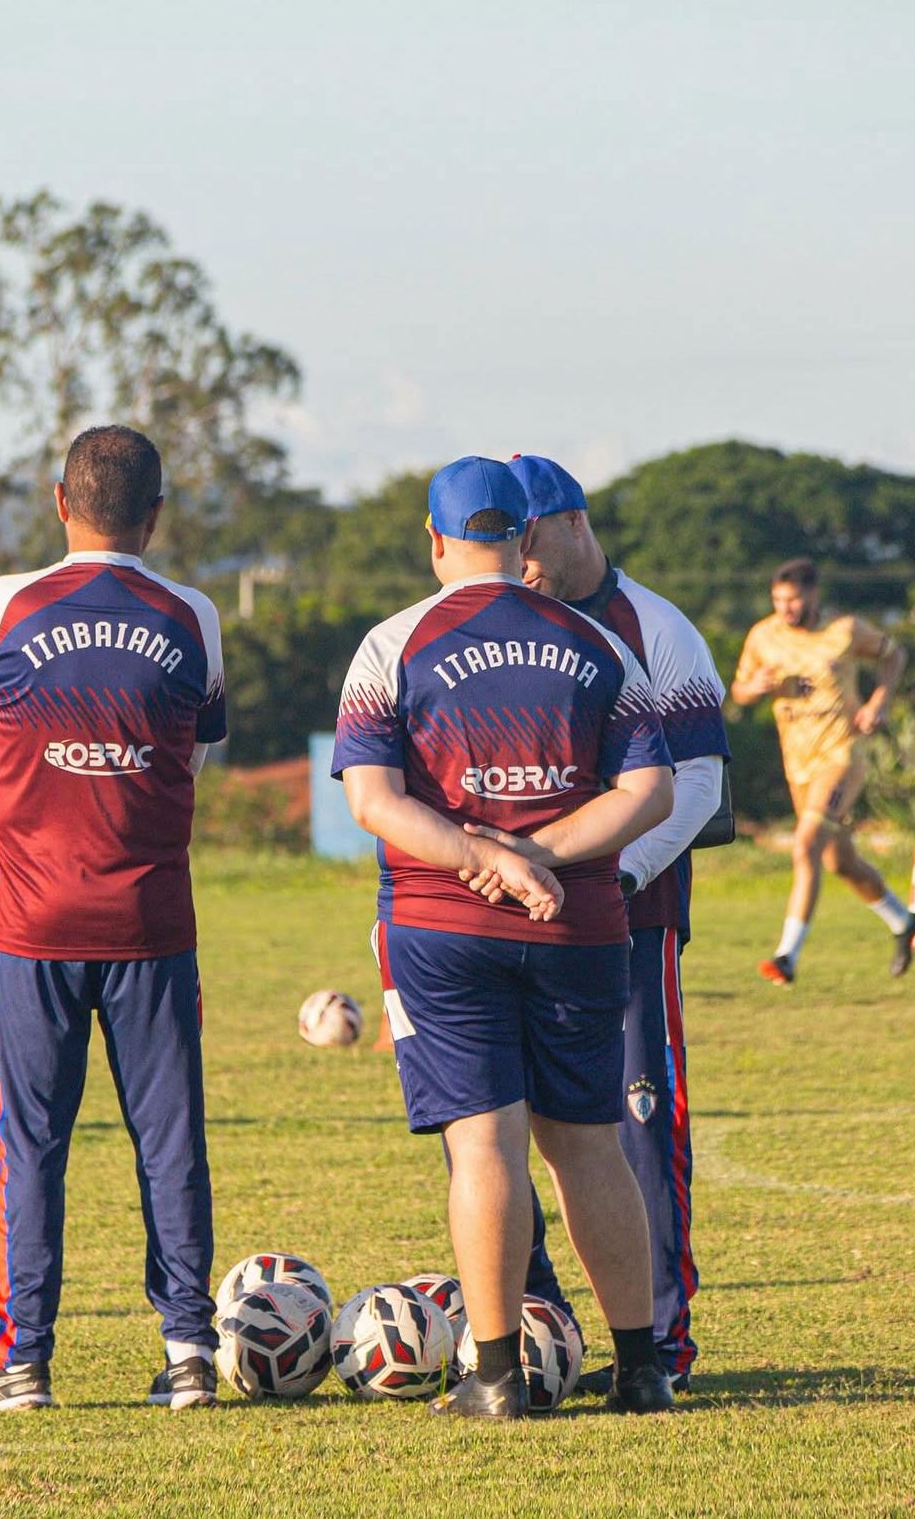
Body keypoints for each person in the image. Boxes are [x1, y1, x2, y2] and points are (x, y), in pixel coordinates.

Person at [333, 455, 676, 1419]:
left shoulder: (391, 645)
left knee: (485, 1143)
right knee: (590, 1145)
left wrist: (485, 858)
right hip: (581, 925)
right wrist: (541, 853)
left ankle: (495, 1376)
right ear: (528, 537)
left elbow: (374, 800)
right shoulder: (603, 643)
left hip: (444, 927)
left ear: (435, 538)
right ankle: (642, 1366)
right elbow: (648, 792)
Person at [0, 425, 226, 1412]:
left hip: (32, 922)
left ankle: (21, 1362)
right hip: (153, 920)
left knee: (28, 1141)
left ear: (58, 501)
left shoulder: (0, 604)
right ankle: (191, 1351)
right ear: (156, 514)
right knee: (171, 1139)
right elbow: (195, 753)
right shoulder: (194, 614)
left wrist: (38, 817)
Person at [469, 453, 730, 1396]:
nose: (518, 561)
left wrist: (603, 875)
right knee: (497, 1126)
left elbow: (697, 784)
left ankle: (660, 1345)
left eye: (529, 541)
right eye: (504, 544)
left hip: (630, 920)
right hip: (502, 926)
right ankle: (546, 1329)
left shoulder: (657, 629)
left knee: (633, 1126)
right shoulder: (496, 622)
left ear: (573, 522)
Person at [731, 557, 915, 985]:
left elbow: (894, 655)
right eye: (778, 600)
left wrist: (878, 703)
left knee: (805, 845)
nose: (786, 608)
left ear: (813, 595)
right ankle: (903, 922)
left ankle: (786, 956)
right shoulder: (763, 636)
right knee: (839, 860)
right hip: (798, 764)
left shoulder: (845, 630)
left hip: (842, 756)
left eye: (794, 599)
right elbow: (739, 690)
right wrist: (754, 688)